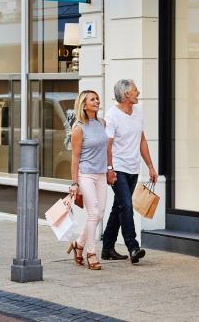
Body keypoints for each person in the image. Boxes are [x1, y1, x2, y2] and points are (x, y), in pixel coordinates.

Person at [101, 79, 158, 264]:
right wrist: (109, 169)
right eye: (135, 90)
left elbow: (142, 140)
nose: (138, 92)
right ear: (126, 95)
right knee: (126, 206)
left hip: (133, 168)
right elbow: (107, 147)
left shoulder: (138, 112)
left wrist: (150, 166)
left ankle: (107, 248)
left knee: (118, 207)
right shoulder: (112, 115)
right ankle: (133, 246)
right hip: (118, 168)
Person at [67, 90, 108, 270]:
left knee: (100, 213)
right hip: (86, 175)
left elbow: (106, 150)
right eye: (92, 99)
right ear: (84, 105)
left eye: (97, 98)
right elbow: (75, 158)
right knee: (93, 213)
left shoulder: (101, 123)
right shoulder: (78, 128)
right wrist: (74, 183)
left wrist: (110, 169)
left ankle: (79, 243)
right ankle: (91, 253)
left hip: (101, 175)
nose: (97, 101)